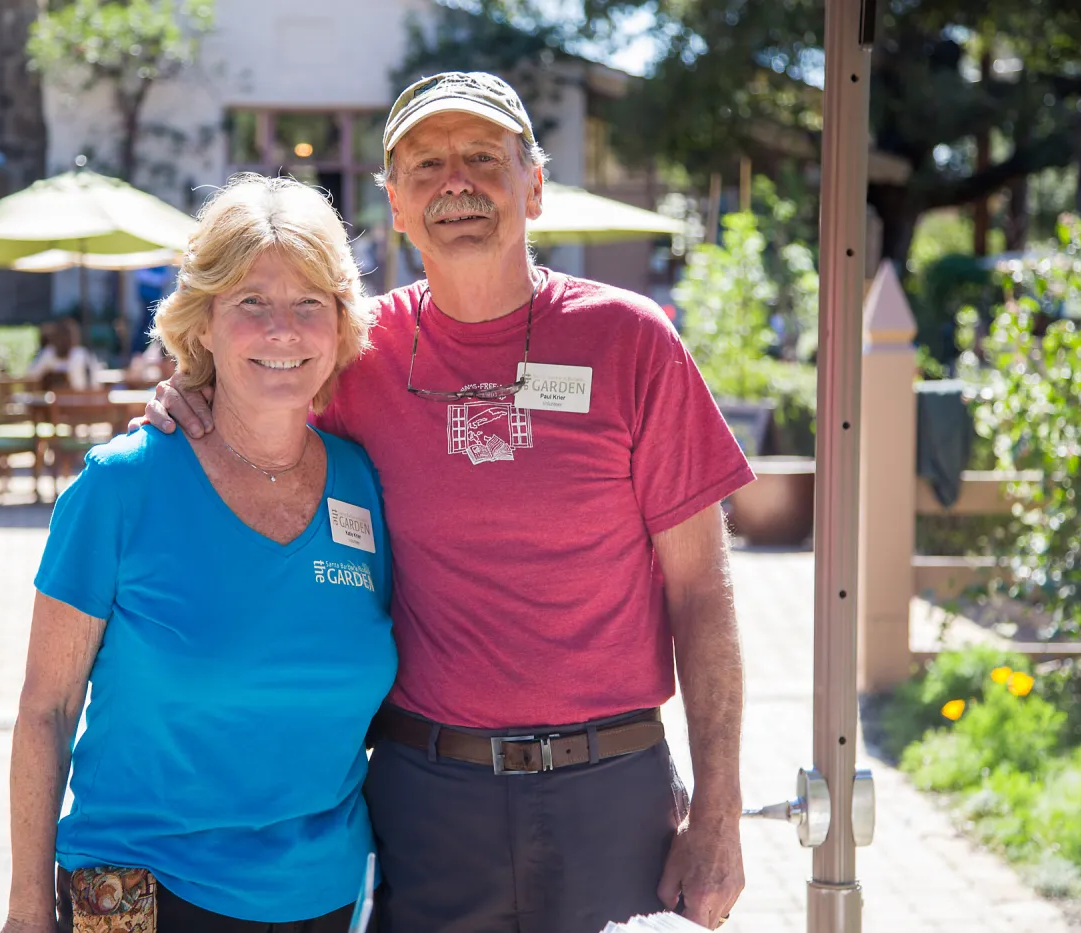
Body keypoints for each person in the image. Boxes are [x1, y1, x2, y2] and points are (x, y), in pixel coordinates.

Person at [146, 72, 752, 933]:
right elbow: (253, 403)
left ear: (534, 186)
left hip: (611, 788)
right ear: (394, 203)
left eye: (482, 157)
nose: (455, 183)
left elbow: (704, 595)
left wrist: (719, 815)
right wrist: (187, 390)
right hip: (429, 795)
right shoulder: (356, 356)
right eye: (426, 165)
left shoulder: (633, 342)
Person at [4, 174, 395, 933]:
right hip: (145, 893)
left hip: (325, 895)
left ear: (340, 322)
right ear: (203, 322)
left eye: (309, 302)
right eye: (251, 301)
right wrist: (26, 910)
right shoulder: (122, 488)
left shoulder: (364, 484)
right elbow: (45, 710)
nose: (282, 328)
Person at [28, 316, 102, 390]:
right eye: (63, 335)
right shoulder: (48, 353)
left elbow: (95, 384)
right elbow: (32, 376)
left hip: (80, 398)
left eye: (69, 336)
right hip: (53, 399)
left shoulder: (83, 354)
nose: (66, 340)